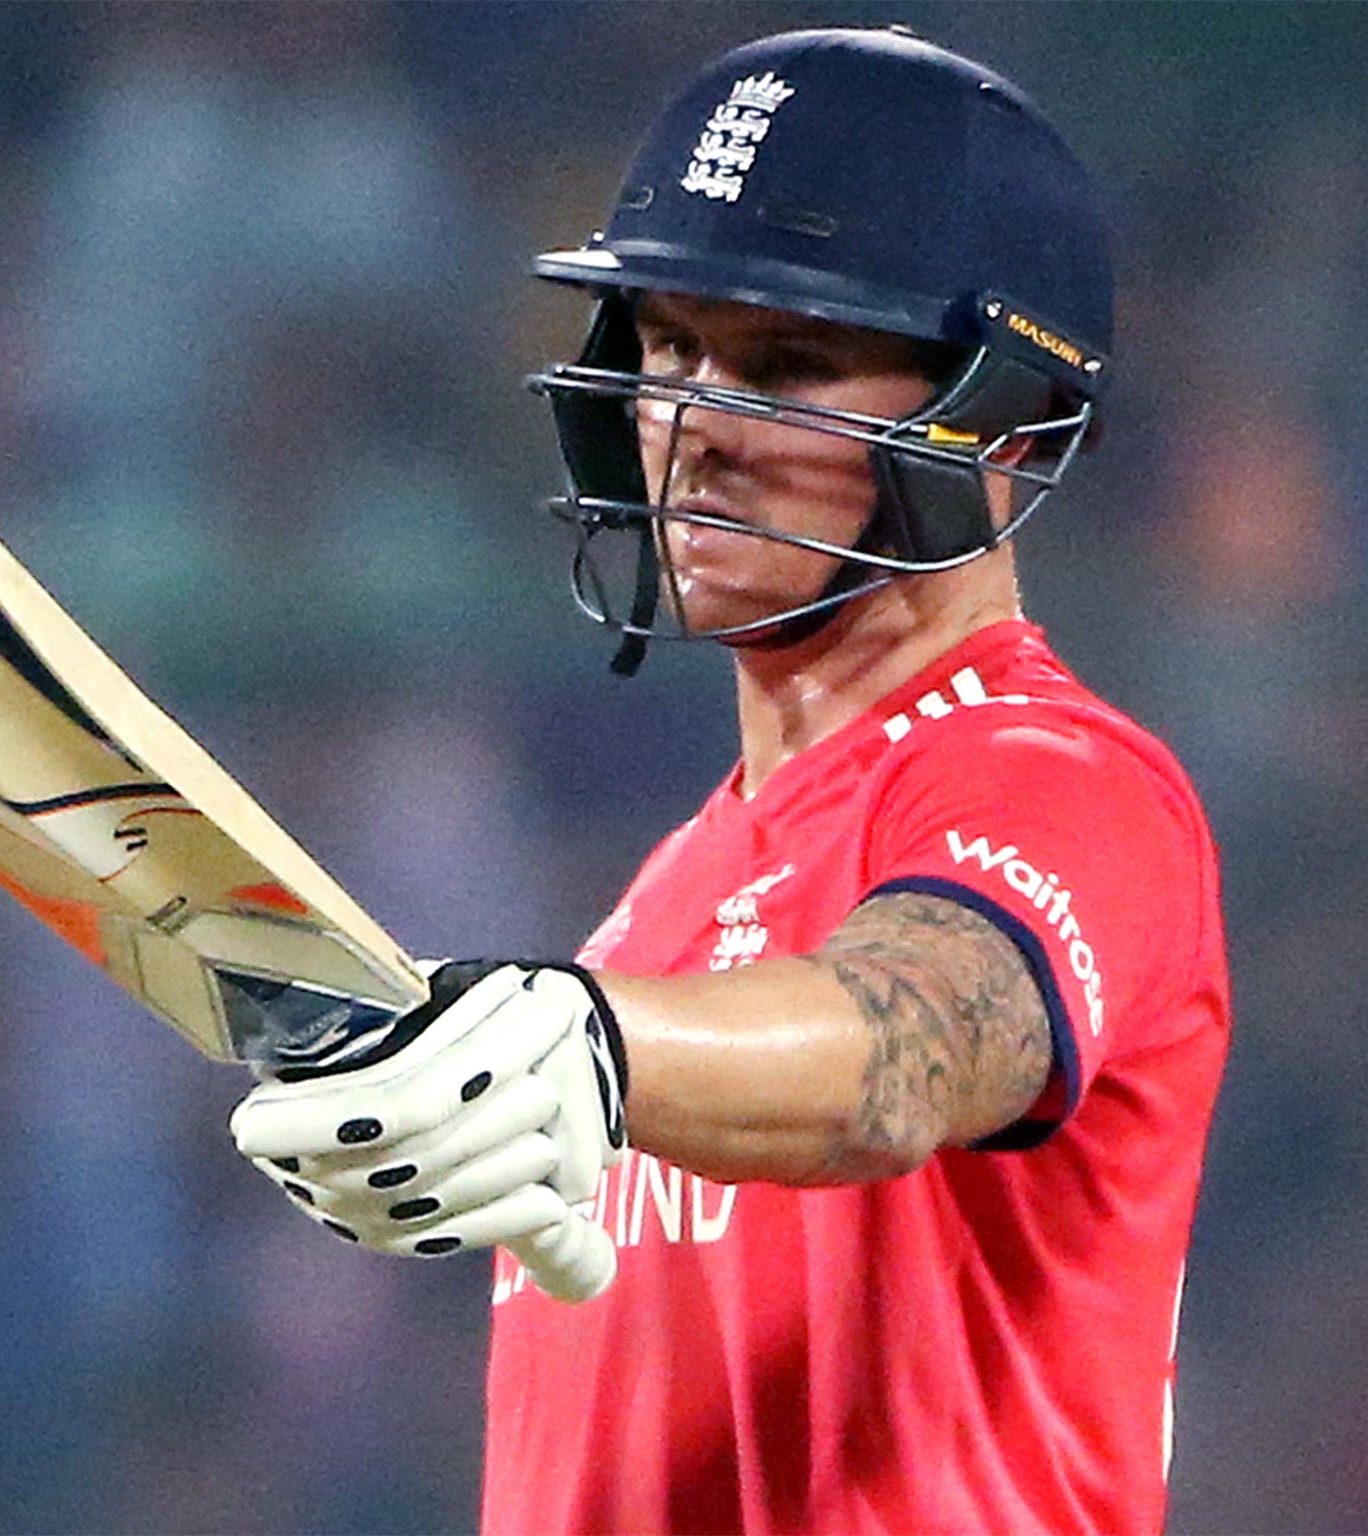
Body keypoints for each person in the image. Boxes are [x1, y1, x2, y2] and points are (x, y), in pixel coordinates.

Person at [229, 26, 1231, 1536]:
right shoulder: (666, 904)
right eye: (670, 347)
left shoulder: (1060, 779)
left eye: (789, 364)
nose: (692, 426)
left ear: (1004, 432)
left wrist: (583, 1038)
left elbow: (909, 1042)